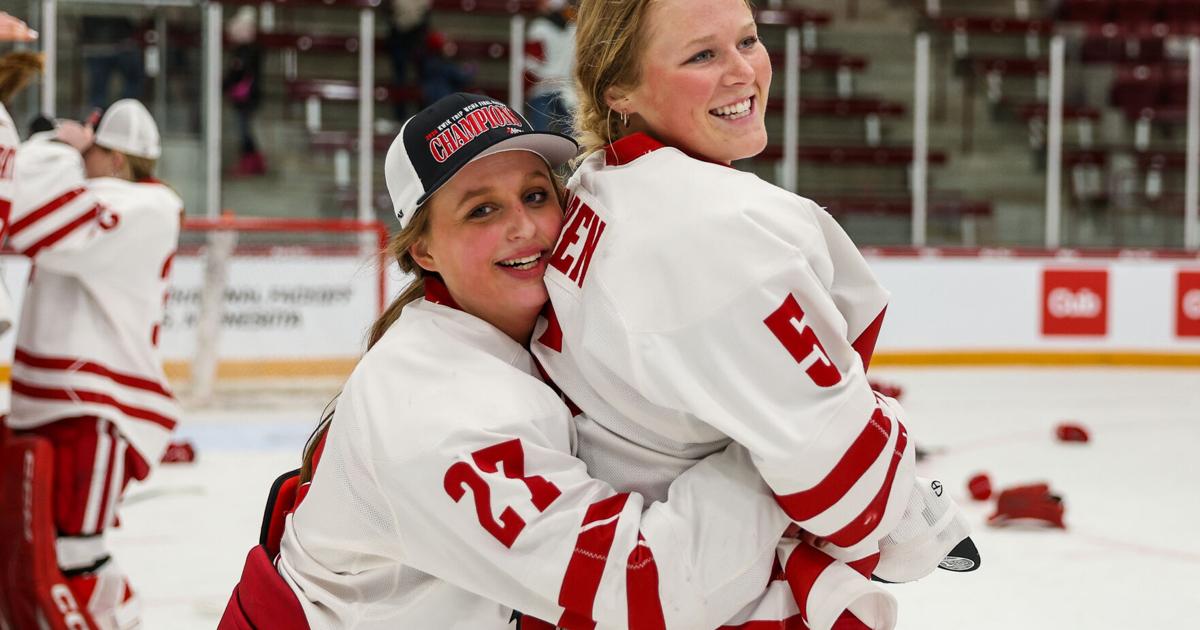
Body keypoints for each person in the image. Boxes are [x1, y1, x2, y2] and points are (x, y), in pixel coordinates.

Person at [219, 93, 896, 629]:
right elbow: (645, 585)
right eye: (481, 210)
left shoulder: (529, 331)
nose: (525, 227)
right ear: (423, 251)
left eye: (536, 195)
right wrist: (789, 438)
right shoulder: (434, 409)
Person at [532, 0, 976, 623]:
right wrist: (909, 513)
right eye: (702, 54)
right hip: (705, 595)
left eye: (748, 41)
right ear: (620, 90)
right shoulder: (719, 228)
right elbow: (845, 492)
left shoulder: (596, 183)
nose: (743, 72)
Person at [0, 98, 182, 629]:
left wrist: (49, 148)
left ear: (118, 161)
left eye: (93, 150)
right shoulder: (111, 195)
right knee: (29, 553)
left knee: (74, 556)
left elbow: (36, 223)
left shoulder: (151, 208)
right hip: (55, 405)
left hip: (98, 412)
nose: (83, 158)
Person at [224, 5, 266, 177]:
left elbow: (239, 72)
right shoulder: (246, 50)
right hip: (247, 97)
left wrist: (226, 84)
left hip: (247, 98)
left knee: (245, 130)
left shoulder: (248, 51)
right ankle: (252, 160)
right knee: (244, 129)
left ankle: (251, 161)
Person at [525, 0, 577, 134]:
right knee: (572, 134)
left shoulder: (538, 27)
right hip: (559, 87)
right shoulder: (574, 28)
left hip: (550, 87)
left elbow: (530, 63)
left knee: (541, 134)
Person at [386, 0, 432, 120]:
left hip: (417, 34)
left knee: (422, 78)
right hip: (399, 35)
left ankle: (423, 117)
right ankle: (400, 117)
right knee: (400, 78)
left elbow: (425, 9)